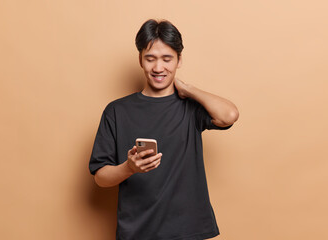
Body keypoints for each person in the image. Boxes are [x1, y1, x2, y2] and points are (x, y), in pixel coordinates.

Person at [89, 19, 239, 240]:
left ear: (179, 60)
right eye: (150, 59)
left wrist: (188, 89)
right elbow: (100, 177)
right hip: (137, 232)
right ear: (140, 59)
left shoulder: (190, 108)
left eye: (167, 59)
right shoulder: (116, 111)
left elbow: (229, 115)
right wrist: (129, 168)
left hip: (188, 230)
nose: (158, 68)